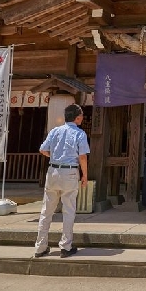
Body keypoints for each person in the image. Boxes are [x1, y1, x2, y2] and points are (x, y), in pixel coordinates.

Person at [34, 103, 90, 259]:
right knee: (69, 209)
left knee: (47, 210)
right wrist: (85, 175)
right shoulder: (80, 134)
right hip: (70, 171)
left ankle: (40, 247)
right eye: (82, 115)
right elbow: (83, 156)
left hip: (53, 170)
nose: (83, 117)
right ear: (78, 117)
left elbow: (43, 149)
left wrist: (54, 157)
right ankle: (66, 246)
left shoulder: (54, 131)